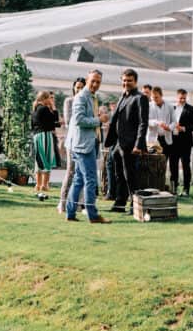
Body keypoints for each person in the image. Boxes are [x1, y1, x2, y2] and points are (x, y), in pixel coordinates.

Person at [65, 69, 111, 224]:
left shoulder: (91, 97)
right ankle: (93, 215)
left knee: (78, 179)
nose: (96, 84)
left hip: (85, 143)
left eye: (98, 82)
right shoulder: (82, 97)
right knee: (90, 179)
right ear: (87, 79)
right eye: (93, 81)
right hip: (83, 146)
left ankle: (70, 213)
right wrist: (99, 120)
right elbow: (79, 120)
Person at [103, 68, 150, 212]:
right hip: (118, 144)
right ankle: (119, 204)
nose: (126, 83)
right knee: (119, 176)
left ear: (135, 82)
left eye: (129, 81)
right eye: (124, 80)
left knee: (130, 176)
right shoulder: (123, 97)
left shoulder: (140, 98)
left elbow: (143, 123)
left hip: (130, 144)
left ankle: (134, 206)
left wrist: (139, 144)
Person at [56, 77, 86, 215]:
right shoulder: (70, 101)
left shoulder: (88, 102)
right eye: (77, 87)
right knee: (71, 171)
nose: (79, 90)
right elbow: (69, 122)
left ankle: (78, 204)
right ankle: (62, 203)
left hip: (85, 142)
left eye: (81, 87)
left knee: (82, 173)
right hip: (73, 141)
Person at [30, 91, 60, 200]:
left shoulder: (35, 109)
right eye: (49, 98)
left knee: (39, 160)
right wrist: (53, 107)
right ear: (45, 99)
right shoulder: (44, 109)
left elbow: (39, 123)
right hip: (45, 136)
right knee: (47, 159)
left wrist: (55, 124)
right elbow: (54, 119)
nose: (51, 100)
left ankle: (37, 184)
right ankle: (44, 185)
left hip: (37, 136)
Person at [169, 88, 193, 195]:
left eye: (184, 98)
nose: (182, 100)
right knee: (173, 166)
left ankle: (186, 189)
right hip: (173, 141)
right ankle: (174, 188)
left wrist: (184, 128)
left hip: (185, 142)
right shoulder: (171, 108)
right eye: (181, 98)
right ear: (177, 97)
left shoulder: (191, 109)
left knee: (186, 165)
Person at [147, 85, 174, 153]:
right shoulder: (148, 106)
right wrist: (157, 122)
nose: (154, 99)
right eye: (153, 97)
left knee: (164, 160)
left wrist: (169, 127)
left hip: (166, 139)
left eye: (156, 97)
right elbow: (146, 121)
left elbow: (174, 121)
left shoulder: (170, 106)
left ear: (161, 95)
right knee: (153, 160)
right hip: (153, 139)